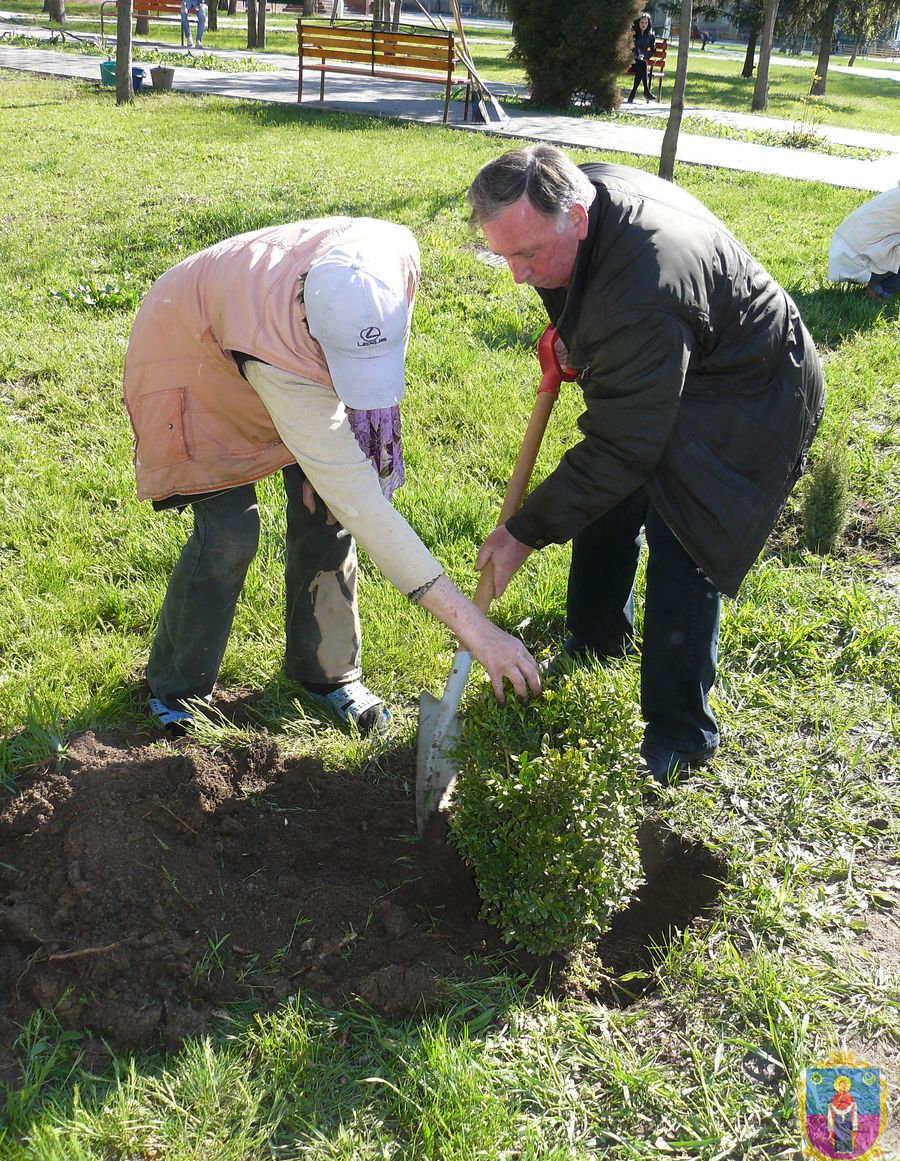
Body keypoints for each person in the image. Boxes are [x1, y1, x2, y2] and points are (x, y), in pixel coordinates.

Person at [467, 146, 824, 783]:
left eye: (526, 255)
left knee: (686, 542)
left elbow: (624, 445)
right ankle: (595, 639)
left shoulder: (640, 297)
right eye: (504, 255)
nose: (517, 276)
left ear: (575, 216)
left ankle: (679, 735)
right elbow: (619, 426)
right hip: (685, 355)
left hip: (752, 392)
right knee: (605, 497)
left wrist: (524, 530)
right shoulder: (586, 196)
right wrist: (579, 337)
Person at [124, 218, 540, 735]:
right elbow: (363, 505)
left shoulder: (394, 256)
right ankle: (177, 687)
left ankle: (325, 671)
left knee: (325, 512)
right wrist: (477, 630)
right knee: (230, 533)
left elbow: (344, 498)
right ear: (311, 327)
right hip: (191, 348)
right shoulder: (275, 350)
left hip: (264, 328)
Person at [827, 184, 900, 302]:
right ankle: (879, 291)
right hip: (857, 261)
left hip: (843, 252)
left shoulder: (895, 192)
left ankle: (878, 282)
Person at [627, 12, 656, 104]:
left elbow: (653, 50)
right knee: (642, 65)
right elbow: (629, 47)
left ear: (649, 23)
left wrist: (645, 56)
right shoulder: (633, 33)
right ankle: (646, 91)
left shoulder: (651, 36)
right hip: (631, 61)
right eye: (642, 22)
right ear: (638, 23)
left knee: (642, 65)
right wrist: (636, 54)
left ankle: (633, 94)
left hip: (641, 62)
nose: (644, 25)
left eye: (646, 23)